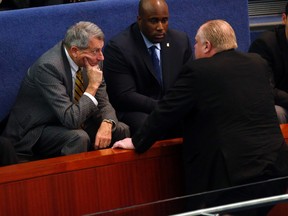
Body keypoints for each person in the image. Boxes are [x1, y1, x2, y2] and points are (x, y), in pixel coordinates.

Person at [113, 20, 288, 215]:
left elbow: (166, 111)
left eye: (196, 42)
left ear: (207, 46)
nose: (194, 47)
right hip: (276, 172)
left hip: (231, 180)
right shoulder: (258, 63)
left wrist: (138, 141)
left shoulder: (198, 71)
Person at [1, 21, 129, 160]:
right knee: (78, 138)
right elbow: (71, 120)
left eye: (100, 50)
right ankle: (75, 182)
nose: (101, 57)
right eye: (95, 51)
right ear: (75, 51)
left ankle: (114, 179)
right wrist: (92, 86)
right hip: (39, 129)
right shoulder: (48, 67)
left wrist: (108, 122)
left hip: (75, 119)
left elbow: (104, 102)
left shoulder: (94, 60)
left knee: (121, 129)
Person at [103, 0, 192, 135]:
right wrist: (165, 107)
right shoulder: (119, 48)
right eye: (154, 21)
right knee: (149, 125)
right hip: (136, 110)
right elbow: (124, 96)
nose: (160, 27)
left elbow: (189, 82)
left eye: (164, 20)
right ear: (140, 20)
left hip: (170, 106)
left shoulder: (180, 41)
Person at [249, 2, 288, 124]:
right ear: (284, 19)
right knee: (276, 112)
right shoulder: (265, 44)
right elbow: (265, 88)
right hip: (279, 104)